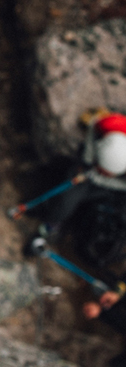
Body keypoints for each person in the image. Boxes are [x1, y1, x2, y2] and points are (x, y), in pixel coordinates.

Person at [33, 111, 126, 268]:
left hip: (117, 187)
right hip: (90, 168)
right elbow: (93, 127)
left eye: (106, 171)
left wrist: (97, 177)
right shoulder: (109, 125)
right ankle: (54, 220)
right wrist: (88, 160)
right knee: (68, 198)